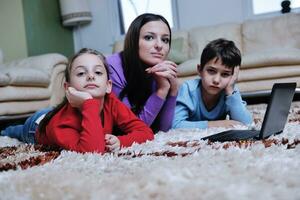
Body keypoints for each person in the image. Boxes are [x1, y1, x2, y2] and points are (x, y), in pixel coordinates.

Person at [1, 48, 154, 153]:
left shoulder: (110, 101)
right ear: (68, 87)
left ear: (108, 86)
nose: (90, 76)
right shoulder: (59, 124)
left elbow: (145, 132)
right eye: (81, 73)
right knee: (14, 131)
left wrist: (121, 142)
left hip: (56, 109)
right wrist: (88, 102)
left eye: (98, 72)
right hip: (36, 126)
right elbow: (93, 150)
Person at [106, 13, 178, 133]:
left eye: (165, 40)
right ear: (133, 41)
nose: (159, 45)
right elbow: (134, 131)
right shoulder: (112, 67)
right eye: (149, 37)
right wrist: (161, 90)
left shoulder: (161, 70)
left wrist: (173, 90)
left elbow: (164, 130)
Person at [172, 38, 252, 129]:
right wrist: (216, 124)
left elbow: (247, 124)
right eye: (211, 71)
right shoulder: (188, 89)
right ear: (200, 70)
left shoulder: (229, 90)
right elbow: (175, 125)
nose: (216, 80)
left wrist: (230, 91)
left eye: (225, 74)